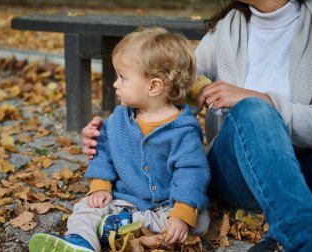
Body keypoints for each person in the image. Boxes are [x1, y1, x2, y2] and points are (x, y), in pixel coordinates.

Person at [82, 1, 312, 251]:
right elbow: (171, 84)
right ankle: (305, 238)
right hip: (235, 171)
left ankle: (283, 239)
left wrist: (268, 100)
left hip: (308, 164)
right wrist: (115, 132)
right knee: (254, 111)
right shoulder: (227, 27)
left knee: (256, 105)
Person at [29, 27, 211, 252]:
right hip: (122, 198)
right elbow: (102, 150)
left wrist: (182, 214)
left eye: (123, 77)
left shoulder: (183, 130)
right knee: (85, 208)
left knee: (197, 221)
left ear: (154, 86)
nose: (115, 83)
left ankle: (122, 226)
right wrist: (100, 185)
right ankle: (81, 241)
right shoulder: (119, 118)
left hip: (166, 205)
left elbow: (192, 172)